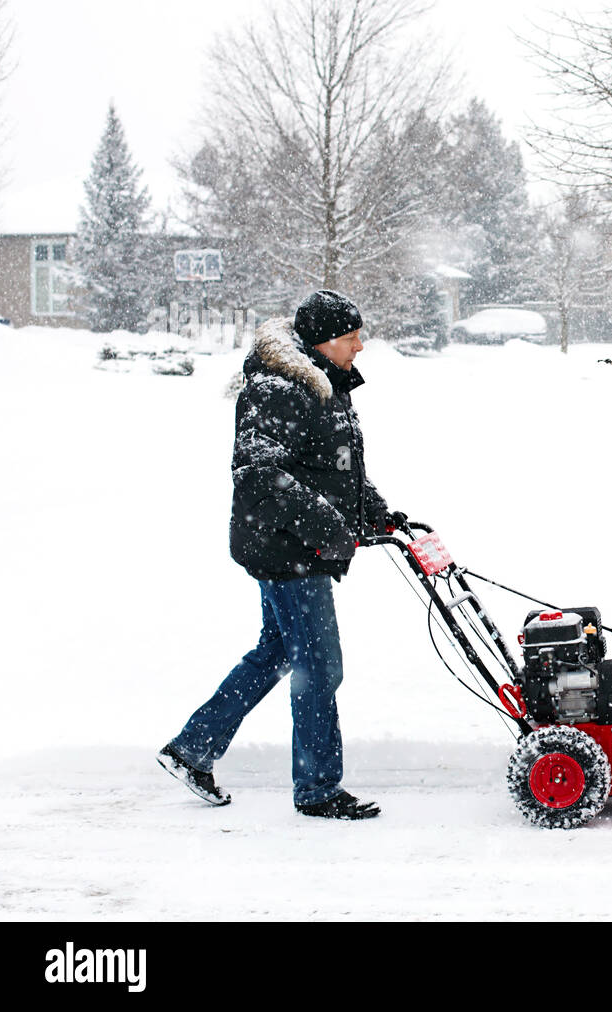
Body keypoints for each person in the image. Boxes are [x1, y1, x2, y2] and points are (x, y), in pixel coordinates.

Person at [158, 290, 403, 820]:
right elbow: (260, 475)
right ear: (322, 342)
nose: (360, 346)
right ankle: (317, 787)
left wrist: (379, 513)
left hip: (299, 544)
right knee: (319, 666)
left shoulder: (324, 383)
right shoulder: (279, 389)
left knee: (278, 651)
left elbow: (337, 469)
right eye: (351, 337)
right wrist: (330, 528)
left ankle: (193, 748)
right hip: (287, 550)